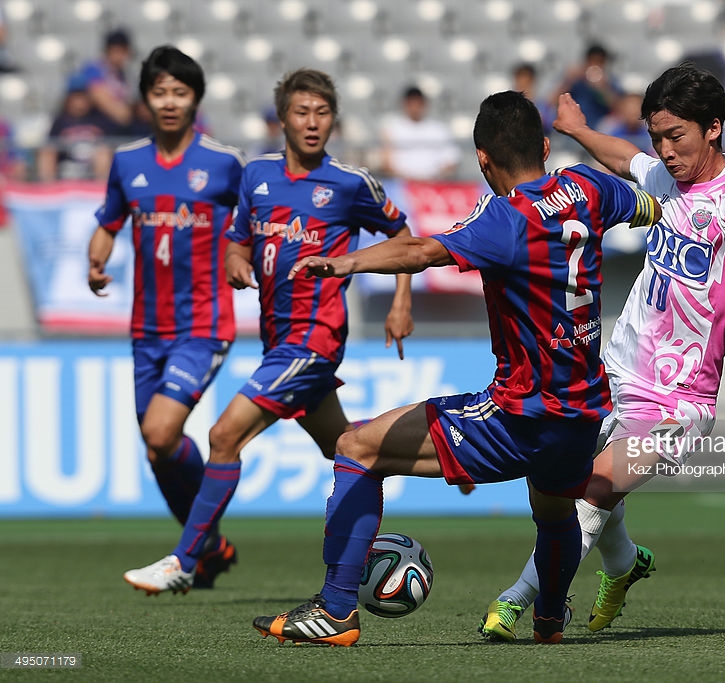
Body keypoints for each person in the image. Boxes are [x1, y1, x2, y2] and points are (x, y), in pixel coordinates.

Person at [250, 90, 662, 647]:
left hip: (521, 411)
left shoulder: (505, 218)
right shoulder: (588, 187)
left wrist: (346, 261)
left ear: (483, 159)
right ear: (544, 145)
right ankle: (548, 623)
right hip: (584, 408)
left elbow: (421, 251)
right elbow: (651, 206)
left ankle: (336, 609)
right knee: (554, 509)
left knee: (356, 449)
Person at [479, 63, 725, 641]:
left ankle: (521, 597)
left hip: (681, 402)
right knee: (562, 478)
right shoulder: (666, 178)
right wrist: (575, 130)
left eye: (677, 137)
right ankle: (623, 565)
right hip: (615, 372)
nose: (665, 152)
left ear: (713, 128)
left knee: (594, 486)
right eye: (658, 138)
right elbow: (623, 158)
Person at [122, 68, 415, 595]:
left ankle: (186, 560)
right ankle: (438, 450)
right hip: (279, 343)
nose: (312, 123)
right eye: (302, 112)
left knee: (223, 435)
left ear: (333, 120)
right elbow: (237, 239)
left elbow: (402, 234)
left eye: (322, 113)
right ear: (282, 118)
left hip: (313, 341)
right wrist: (236, 262)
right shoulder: (256, 176)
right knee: (348, 446)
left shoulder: (349, 184)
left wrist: (400, 301)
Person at [88, 46, 244, 587]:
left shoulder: (223, 164)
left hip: (203, 323)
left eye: (180, 92)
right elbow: (108, 221)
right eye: (160, 92)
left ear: (195, 99)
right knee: (159, 451)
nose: (169, 101)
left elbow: (252, 223)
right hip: (145, 328)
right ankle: (212, 547)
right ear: (146, 99)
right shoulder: (128, 162)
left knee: (160, 430)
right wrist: (96, 259)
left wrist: (238, 255)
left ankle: (192, 550)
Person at [36, 73, 116, 182]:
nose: (80, 101)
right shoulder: (61, 120)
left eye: (83, 96)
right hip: (67, 165)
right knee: (47, 151)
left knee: (103, 152)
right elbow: (51, 144)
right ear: (69, 98)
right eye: (76, 96)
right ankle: (47, 189)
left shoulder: (100, 119)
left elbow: (110, 144)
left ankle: (102, 189)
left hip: (93, 165)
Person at [377, 85, 460, 180]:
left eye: (418, 103)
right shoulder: (391, 128)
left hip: (434, 184)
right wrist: (407, 179)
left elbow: (451, 161)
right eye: (411, 103)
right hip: (400, 184)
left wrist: (433, 178)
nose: (415, 107)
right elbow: (386, 163)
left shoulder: (439, 129)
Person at [75, 27, 135, 134]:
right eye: (117, 51)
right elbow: (103, 100)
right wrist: (125, 113)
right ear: (107, 51)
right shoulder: (94, 69)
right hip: (96, 127)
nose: (120, 56)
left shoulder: (122, 74)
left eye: (124, 51)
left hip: (114, 128)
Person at [550, 43, 624, 128]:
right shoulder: (575, 79)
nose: (594, 66)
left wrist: (603, 88)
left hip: (599, 130)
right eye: (592, 62)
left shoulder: (610, 81)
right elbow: (552, 102)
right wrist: (568, 81)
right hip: (572, 130)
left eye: (599, 62)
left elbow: (621, 110)